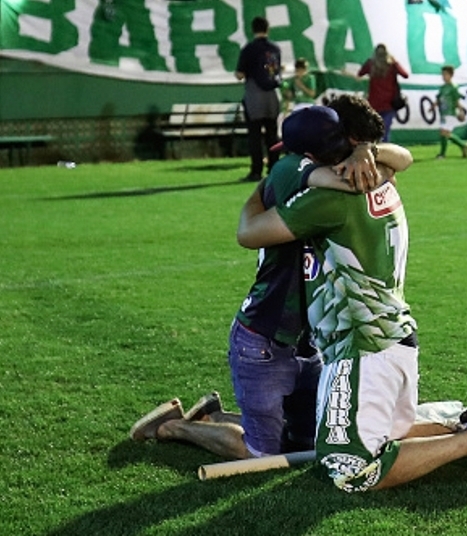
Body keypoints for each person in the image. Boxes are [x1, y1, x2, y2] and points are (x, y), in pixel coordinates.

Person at [235, 109, 467, 492]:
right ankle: (465, 426)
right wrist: (368, 151)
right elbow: (401, 159)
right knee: (386, 436)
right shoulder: (382, 176)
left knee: (348, 469)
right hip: (395, 338)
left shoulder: (327, 199)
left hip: (361, 348)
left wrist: (259, 192)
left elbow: (249, 233)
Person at [128, 101, 410, 461]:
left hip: (307, 341)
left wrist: (367, 152)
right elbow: (249, 233)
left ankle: (212, 415)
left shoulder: (320, 171)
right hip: (264, 337)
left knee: (309, 442)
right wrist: (365, 159)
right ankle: (173, 426)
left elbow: (400, 161)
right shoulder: (292, 168)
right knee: (261, 453)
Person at [236, 16, 282, 182]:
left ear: (253, 29)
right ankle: (274, 169)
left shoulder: (249, 49)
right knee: (272, 135)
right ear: (268, 29)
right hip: (273, 95)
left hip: (255, 95)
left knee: (254, 135)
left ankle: (256, 171)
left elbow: (240, 74)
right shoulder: (275, 49)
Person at [357, 44, 410, 142]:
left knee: (374, 131)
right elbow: (405, 75)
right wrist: (396, 62)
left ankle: (374, 149)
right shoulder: (392, 65)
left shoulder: (370, 64)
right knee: (385, 132)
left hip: (374, 103)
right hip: (389, 104)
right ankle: (384, 150)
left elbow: (360, 74)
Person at [431, 65, 467, 159]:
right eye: (442, 74)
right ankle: (463, 145)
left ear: (451, 75)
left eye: (445, 74)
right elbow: (439, 98)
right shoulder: (442, 87)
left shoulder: (453, 87)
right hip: (443, 113)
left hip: (451, 113)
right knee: (445, 133)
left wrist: (461, 111)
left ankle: (442, 154)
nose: (443, 76)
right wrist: (433, 106)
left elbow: (457, 101)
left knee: (444, 132)